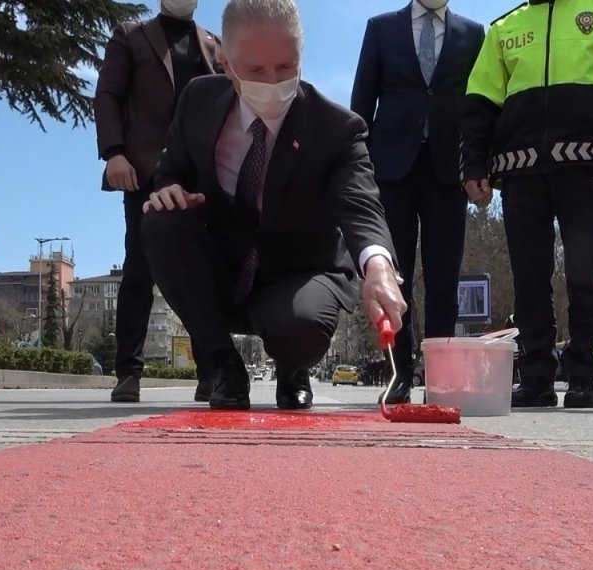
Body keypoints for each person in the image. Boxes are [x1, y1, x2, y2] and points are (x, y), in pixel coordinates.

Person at [140, 0, 406, 411]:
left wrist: (379, 267)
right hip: (223, 267)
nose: (273, 82)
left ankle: (293, 368)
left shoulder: (337, 128)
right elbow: (169, 171)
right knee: (160, 221)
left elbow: (361, 204)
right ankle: (223, 365)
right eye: (255, 71)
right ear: (226, 63)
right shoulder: (198, 102)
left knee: (301, 329)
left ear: (301, 57)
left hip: (299, 273)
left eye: (286, 68)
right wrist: (169, 189)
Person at [461, 0, 593, 410]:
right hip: (519, 171)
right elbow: (479, 104)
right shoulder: (503, 28)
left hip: (588, 168)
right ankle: (536, 379)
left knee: (585, 274)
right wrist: (474, 164)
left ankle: (583, 376)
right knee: (529, 280)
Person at [350, 0, 484, 405]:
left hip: (448, 171)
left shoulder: (473, 34)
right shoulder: (380, 28)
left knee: (444, 278)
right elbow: (362, 102)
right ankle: (400, 375)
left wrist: (479, 164)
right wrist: (356, 168)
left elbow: (480, 106)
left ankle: (440, 379)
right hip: (390, 170)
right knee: (395, 274)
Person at [95, 0, 221, 404]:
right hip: (146, 173)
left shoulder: (213, 44)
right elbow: (108, 94)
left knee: (205, 272)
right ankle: (128, 373)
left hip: (200, 176)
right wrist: (114, 152)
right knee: (138, 271)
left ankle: (211, 371)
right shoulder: (130, 36)